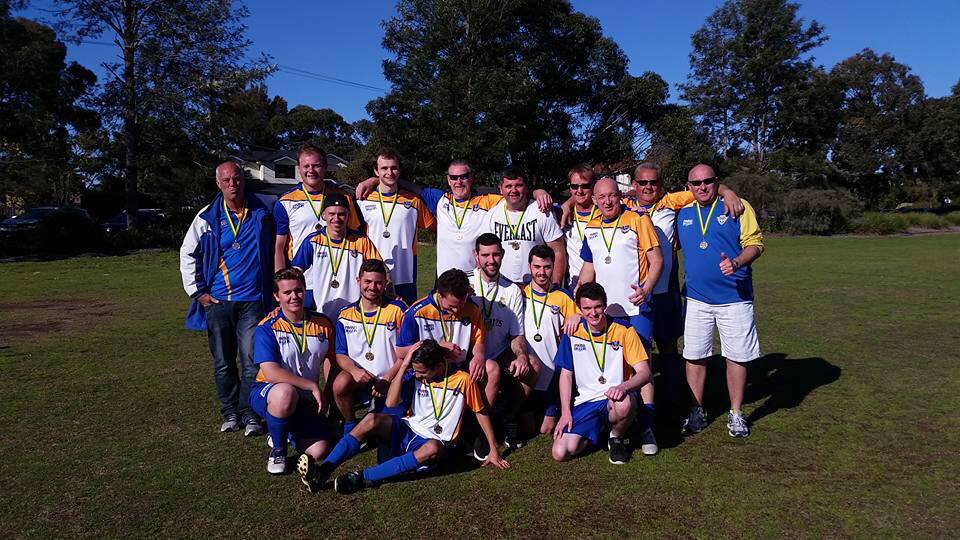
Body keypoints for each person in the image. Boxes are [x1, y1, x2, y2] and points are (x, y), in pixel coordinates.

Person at [298, 339, 509, 494]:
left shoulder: (462, 380)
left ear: (438, 366)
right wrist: (405, 365)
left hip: (436, 441)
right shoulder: (415, 374)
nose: (417, 375)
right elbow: (390, 403)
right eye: (414, 370)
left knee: (433, 448)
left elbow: (481, 412)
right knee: (371, 419)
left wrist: (493, 449)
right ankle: (323, 471)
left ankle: (361, 478)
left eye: (421, 372)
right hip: (408, 429)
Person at [625, 163, 744, 402]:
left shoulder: (671, 201)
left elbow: (705, 187)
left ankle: (672, 396)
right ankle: (638, 402)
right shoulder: (624, 205)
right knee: (638, 349)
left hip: (665, 290)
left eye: (654, 182)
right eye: (643, 182)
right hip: (635, 293)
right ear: (634, 185)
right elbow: (589, 198)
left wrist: (728, 192)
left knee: (668, 345)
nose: (649, 187)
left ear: (661, 184)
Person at [180, 161, 274, 436]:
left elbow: (303, 198)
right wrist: (198, 292)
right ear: (218, 183)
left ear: (244, 180)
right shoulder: (206, 217)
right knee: (223, 362)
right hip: (218, 302)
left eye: (237, 179)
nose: (233, 184)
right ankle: (229, 412)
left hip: (253, 301)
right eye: (227, 180)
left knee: (251, 361)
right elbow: (187, 253)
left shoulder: (263, 208)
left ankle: (250, 413)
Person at [676, 164, 764, 438]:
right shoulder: (683, 211)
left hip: (734, 298)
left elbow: (756, 244)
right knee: (694, 356)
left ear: (716, 182)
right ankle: (696, 410)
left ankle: (736, 413)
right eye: (696, 183)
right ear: (688, 186)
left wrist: (737, 262)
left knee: (736, 357)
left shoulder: (738, 207)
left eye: (708, 181)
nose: (702, 187)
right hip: (696, 298)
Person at [576, 177, 662, 455]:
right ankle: (614, 422)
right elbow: (589, 267)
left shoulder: (638, 219)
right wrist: (578, 302)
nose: (607, 201)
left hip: (635, 308)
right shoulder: (591, 226)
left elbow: (656, 260)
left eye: (612, 195)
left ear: (620, 196)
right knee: (610, 368)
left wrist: (646, 289)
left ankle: (647, 426)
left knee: (641, 368)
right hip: (605, 312)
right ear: (594, 200)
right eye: (601, 197)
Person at [355, 159, 554, 276]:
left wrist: (538, 192)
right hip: (443, 280)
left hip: (476, 280)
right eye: (454, 177)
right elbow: (401, 183)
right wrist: (373, 180)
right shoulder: (439, 199)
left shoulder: (488, 201)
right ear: (448, 180)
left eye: (463, 176)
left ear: (471, 178)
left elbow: (514, 193)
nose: (459, 181)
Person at [552, 283, 651, 464]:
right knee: (561, 452)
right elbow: (566, 375)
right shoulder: (572, 331)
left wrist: (623, 387)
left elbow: (644, 373)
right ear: (580, 309)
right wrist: (565, 413)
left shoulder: (624, 330)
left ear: (605, 305)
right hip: (586, 400)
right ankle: (600, 429)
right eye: (587, 308)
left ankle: (616, 437)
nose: (593, 313)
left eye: (597, 307)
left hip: (615, 398)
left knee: (623, 404)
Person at [250, 268, 336, 474]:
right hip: (269, 391)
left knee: (319, 450)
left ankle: (283, 430)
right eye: (287, 292)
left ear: (305, 291)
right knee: (285, 392)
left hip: (305, 398)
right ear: (276, 296)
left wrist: (327, 394)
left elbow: (331, 361)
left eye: (298, 290)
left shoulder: (323, 323)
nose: (294, 296)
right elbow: (271, 373)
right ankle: (278, 451)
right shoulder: (267, 327)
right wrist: (312, 386)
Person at [467, 233, 539, 450]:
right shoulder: (466, 283)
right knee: (492, 369)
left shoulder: (512, 290)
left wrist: (521, 356)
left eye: (496, 254)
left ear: (503, 254)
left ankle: (507, 417)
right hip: (469, 356)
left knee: (533, 365)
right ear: (476, 255)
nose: (491, 260)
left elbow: (516, 335)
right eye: (485, 255)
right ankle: (480, 431)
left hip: (499, 353)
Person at [332, 259, 407, 433]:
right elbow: (341, 354)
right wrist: (354, 371)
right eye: (367, 281)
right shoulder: (345, 315)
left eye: (378, 282)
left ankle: (378, 409)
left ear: (385, 283)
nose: (372, 287)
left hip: (391, 377)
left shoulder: (398, 310)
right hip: (360, 377)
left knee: (386, 430)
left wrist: (388, 378)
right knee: (340, 383)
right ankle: (350, 424)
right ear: (358, 281)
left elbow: (406, 353)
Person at [355, 148, 435, 304]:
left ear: (399, 170)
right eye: (384, 168)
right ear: (376, 171)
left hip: (405, 273)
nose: (389, 172)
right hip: (372, 273)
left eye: (394, 168)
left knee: (403, 314)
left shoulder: (413, 201)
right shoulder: (363, 200)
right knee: (372, 315)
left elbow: (435, 226)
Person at [290, 192, 382, 320]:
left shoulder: (361, 241)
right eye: (331, 214)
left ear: (348, 215)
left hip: (354, 315)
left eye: (341, 214)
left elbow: (379, 269)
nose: (336, 218)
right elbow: (295, 272)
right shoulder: (313, 241)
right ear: (324, 215)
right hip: (322, 311)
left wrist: (390, 294)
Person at [273, 143, 363, 271]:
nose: (311, 170)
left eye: (316, 165)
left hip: (339, 270)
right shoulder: (285, 202)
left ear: (325, 167)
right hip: (301, 275)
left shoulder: (343, 197)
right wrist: (280, 278)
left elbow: (356, 237)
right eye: (306, 166)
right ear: (299, 168)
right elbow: (279, 247)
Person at [522, 245, 579, 435]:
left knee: (545, 429)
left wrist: (577, 316)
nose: (542, 272)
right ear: (529, 267)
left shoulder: (563, 296)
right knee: (529, 428)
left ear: (553, 267)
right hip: (528, 372)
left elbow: (581, 316)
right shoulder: (520, 294)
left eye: (547, 267)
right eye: (537, 267)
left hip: (553, 374)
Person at [486, 167, 566, 285]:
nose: (513, 190)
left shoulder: (542, 212)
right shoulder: (492, 215)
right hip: (502, 286)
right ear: (501, 189)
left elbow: (558, 251)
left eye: (519, 185)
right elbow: (483, 253)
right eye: (508, 186)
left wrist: (555, 286)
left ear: (526, 187)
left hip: (536, 286)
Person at [561, 165, 598, 289]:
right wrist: (539, 192)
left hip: (602, 285)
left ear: (593, 186)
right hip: (575, 286)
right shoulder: (562, 214)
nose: (579, 191)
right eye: (574, 186)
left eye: (585, 186)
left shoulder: (605, 212)